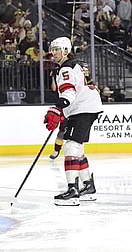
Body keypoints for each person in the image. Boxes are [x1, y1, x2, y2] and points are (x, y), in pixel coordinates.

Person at [44, 37, 103, 206]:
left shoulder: (65, 69)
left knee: (70, 146)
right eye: (52, 49)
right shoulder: (78, 64)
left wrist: (57, 108)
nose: (53, 52)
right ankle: (88, 186)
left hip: (82, 109)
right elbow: (89, 84)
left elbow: (68, 93)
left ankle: (72, 190)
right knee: (77, 148)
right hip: (87, 107)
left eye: (56, 49)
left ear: (65, 51)